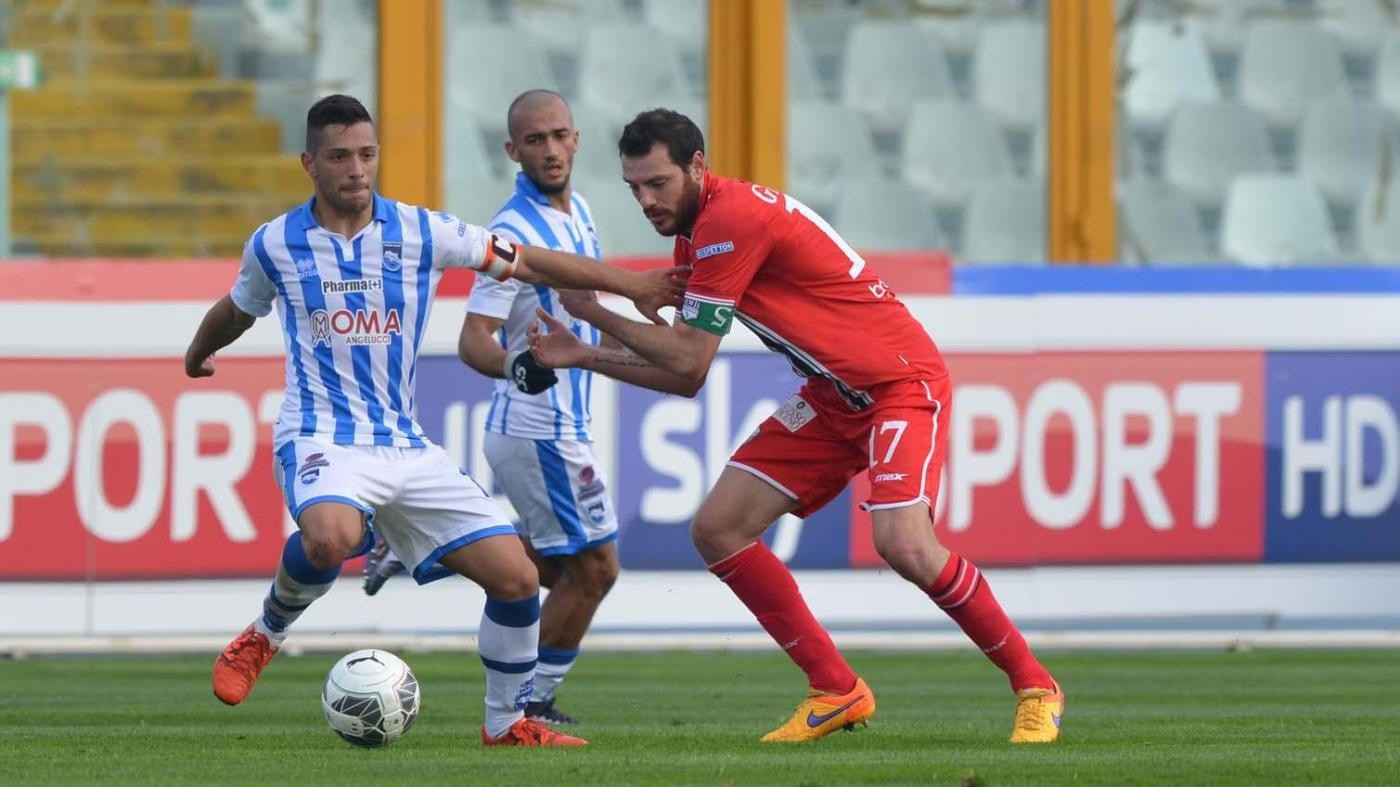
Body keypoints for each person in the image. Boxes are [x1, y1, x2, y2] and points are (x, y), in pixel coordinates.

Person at [528, 109, 1064, 744]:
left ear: (698, 167)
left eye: (659, 183)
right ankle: (836, 689)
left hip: (897, 385)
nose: (647, 200)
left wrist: (596, 310)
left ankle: (1036, 686)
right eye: (634, 188)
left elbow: (685, 358)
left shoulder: (728, 222)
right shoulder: (696, 232)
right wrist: (582, 352)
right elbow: (686, 376)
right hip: (834, 398)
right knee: (719, 528)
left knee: (906, 545)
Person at [183, 94, 680, 747]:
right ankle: (265, 632)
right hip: (323, 436)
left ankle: (506, 723)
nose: (356, 169)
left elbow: (527, 261)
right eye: (339, 156)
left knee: (517, 578)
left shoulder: (421, 231)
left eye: (366, 153)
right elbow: (238, 306)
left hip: (405, 446)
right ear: (310, 163)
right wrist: (198, 353)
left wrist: (634, 284)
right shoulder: (276, 243)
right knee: (332, 536)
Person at [364, 90, 621, 725]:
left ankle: (437, 542)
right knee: (594, 570)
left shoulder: (579, 209)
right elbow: (475, 339)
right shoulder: (511, 234)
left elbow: (581, 311)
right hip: (537, 426)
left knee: (565, 567)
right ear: (513, 150)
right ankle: (532, 702)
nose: (551, 150)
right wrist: (517, 364)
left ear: (577, 138)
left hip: (560, 423)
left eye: (560, 135)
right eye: (535, 140)